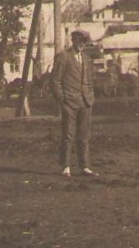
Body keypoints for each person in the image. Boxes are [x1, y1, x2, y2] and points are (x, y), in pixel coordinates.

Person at [51, 30, 96, 177]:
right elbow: (55, 81)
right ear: (74, 40)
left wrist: (90, 96)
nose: (83, 44)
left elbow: (89, 80)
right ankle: (65, 167)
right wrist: (62, 100)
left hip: (85, 102)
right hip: (69, 102)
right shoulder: (63, 57)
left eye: (85, 41)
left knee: (84, 135)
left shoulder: (86, 58)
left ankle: (85, 166)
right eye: (81, 41)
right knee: (68, 135)